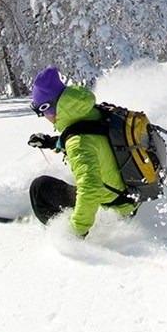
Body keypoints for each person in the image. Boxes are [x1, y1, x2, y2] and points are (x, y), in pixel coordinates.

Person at [27, 67, 136, 238]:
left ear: (50, 107)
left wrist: (76, 232)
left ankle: (63, 227)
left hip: (113, 209)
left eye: (43, 112)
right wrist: (49, 142)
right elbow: (92, 135)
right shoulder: (92, 111)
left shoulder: (77, 142)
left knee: (39, 188)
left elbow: (90, 188)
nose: (45, 117)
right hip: (130, 195)